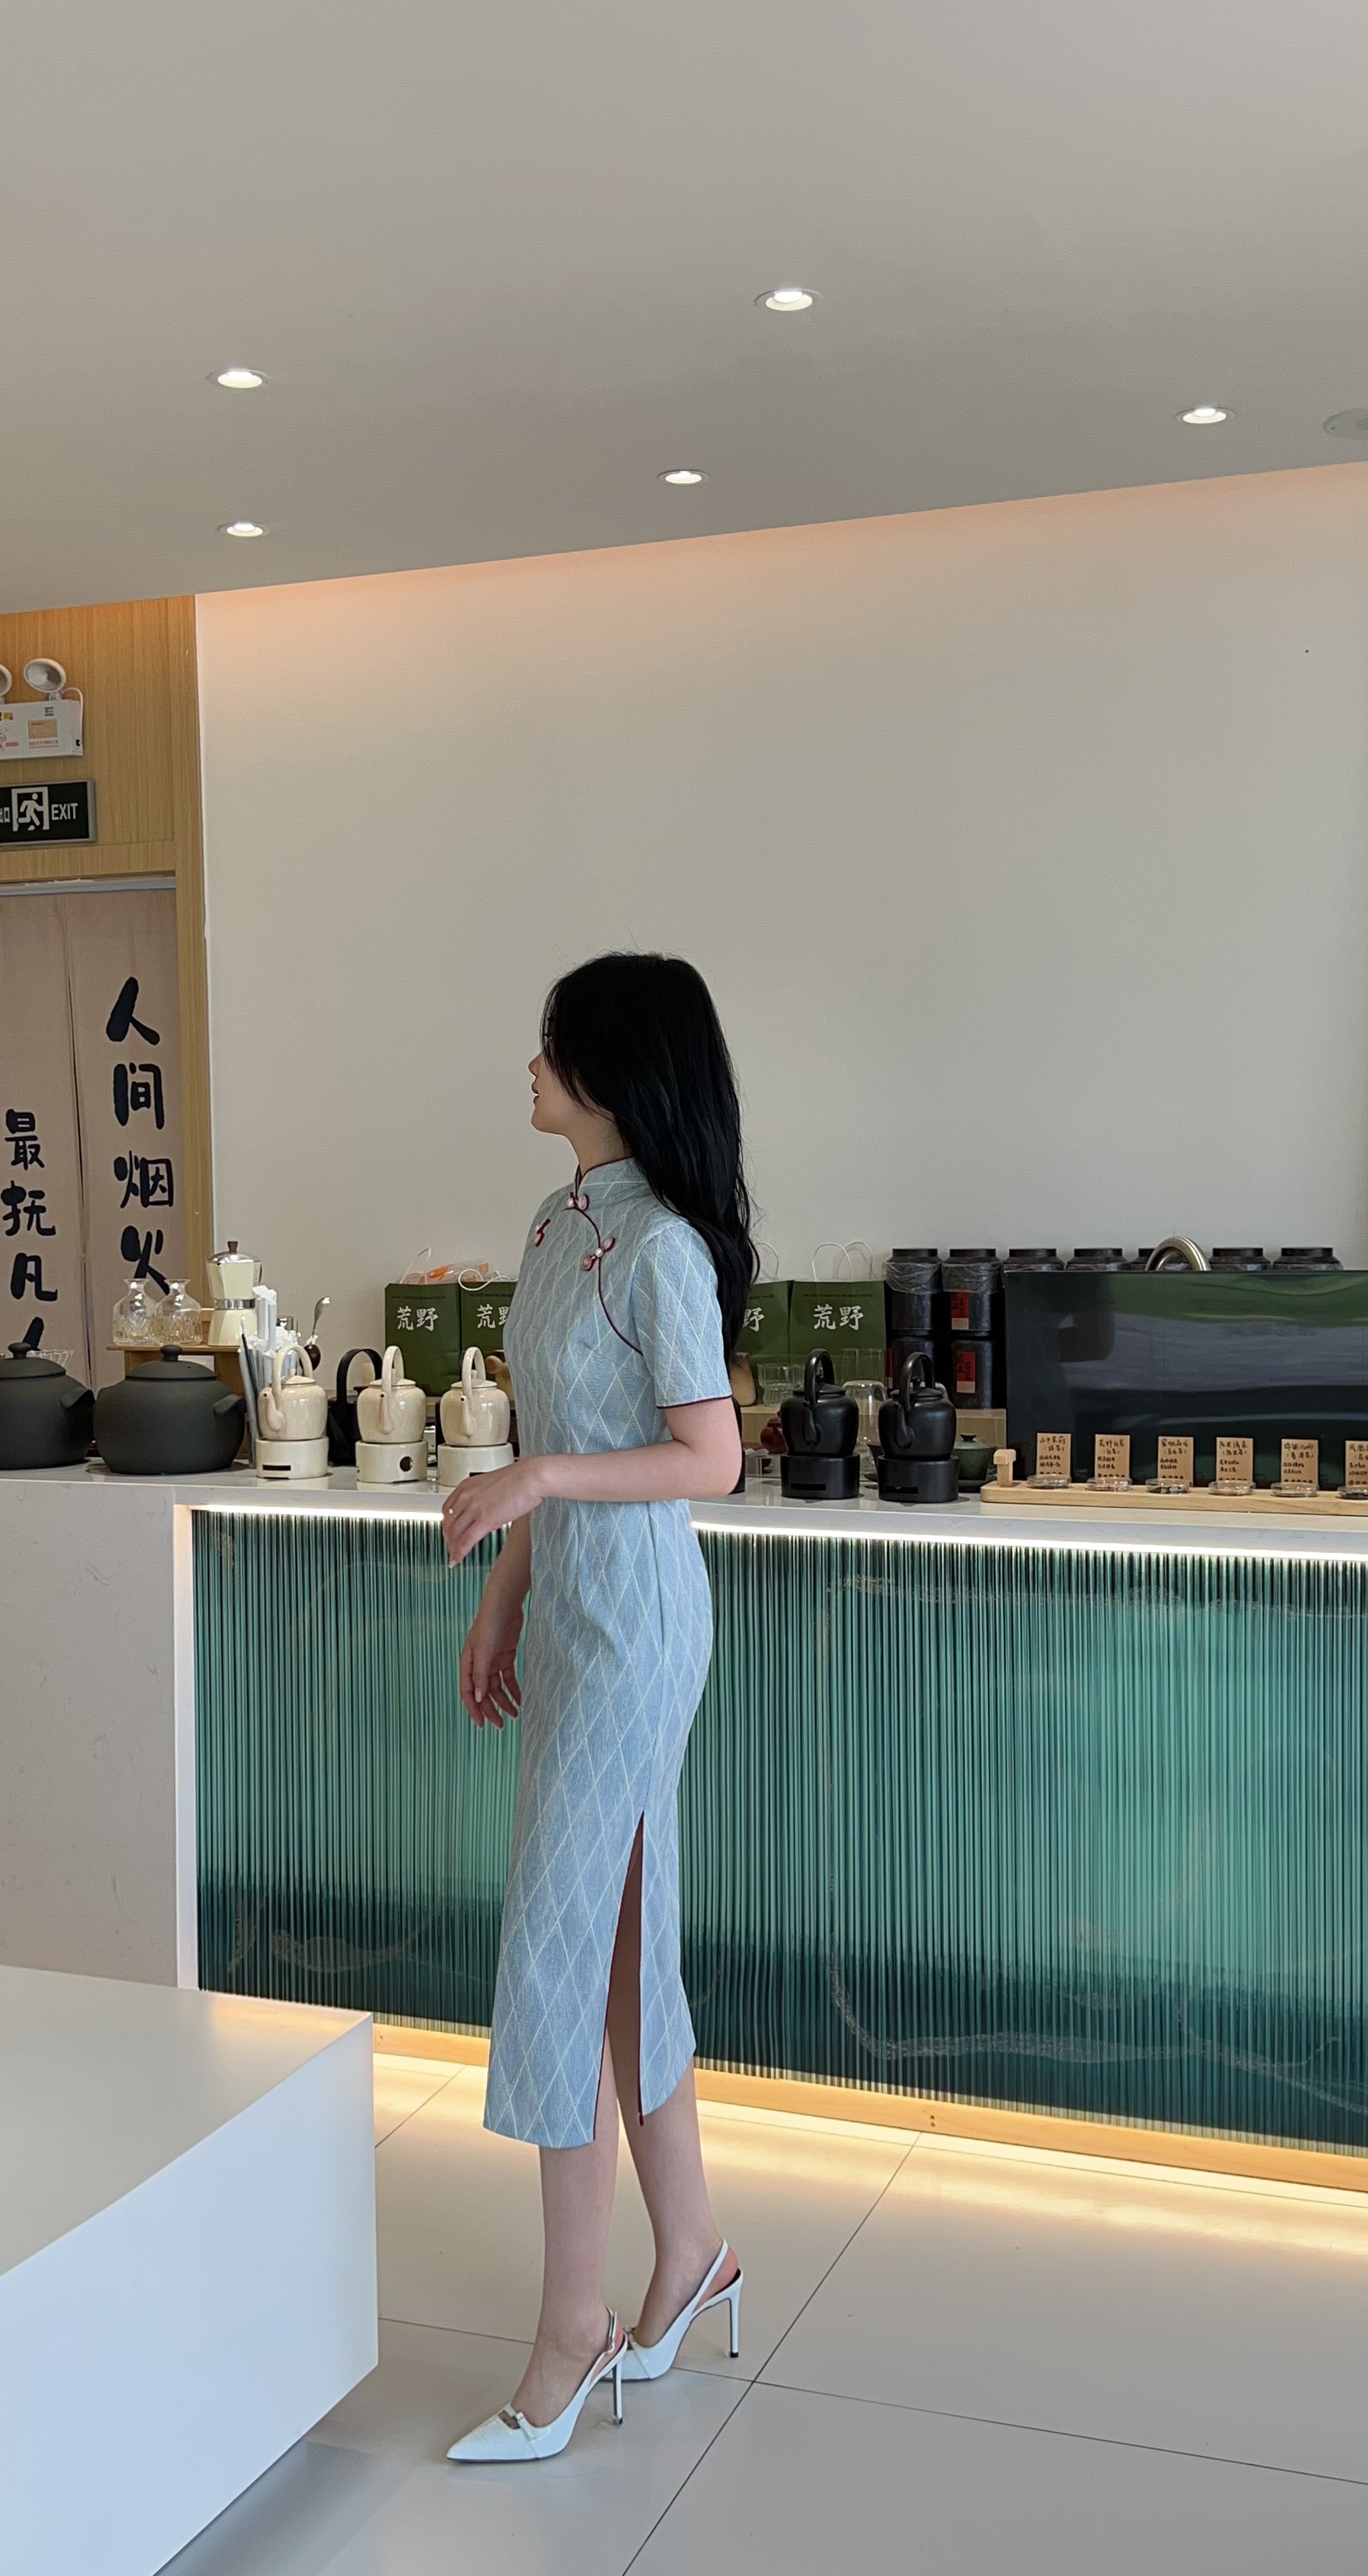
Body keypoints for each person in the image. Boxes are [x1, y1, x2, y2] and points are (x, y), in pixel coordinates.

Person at [440, 951, 754, 2465]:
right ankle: (691, 2249)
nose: (531, 1064)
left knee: (559, 1956)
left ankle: (573, 2326)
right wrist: (504, 1595)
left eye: (553, 1044)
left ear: (615, 1073)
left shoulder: (664, 1250)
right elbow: (559, 1431)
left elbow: (712, 1459)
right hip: (566, 1609)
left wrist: (537, 1483)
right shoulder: (556, 1224)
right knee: (618, 1955)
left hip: (635, 1628)